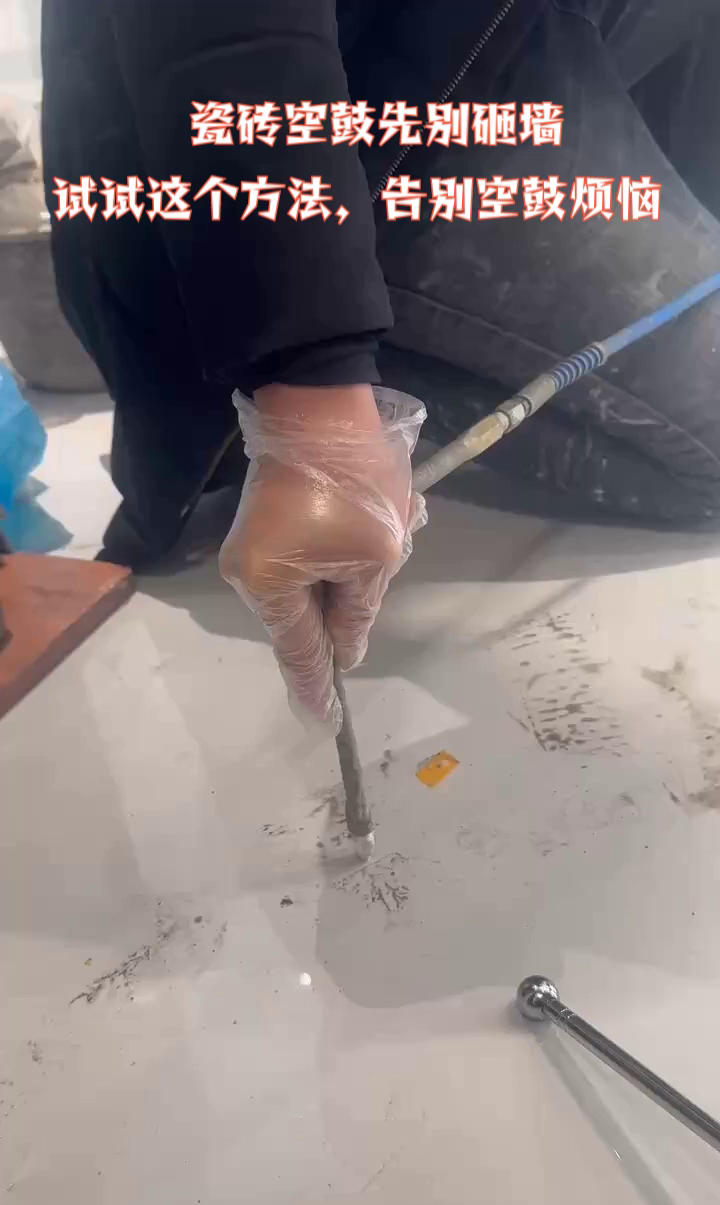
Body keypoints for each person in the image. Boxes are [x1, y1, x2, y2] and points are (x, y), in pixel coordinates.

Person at [42, 0, 720, 725]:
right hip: (322, 129)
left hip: (515, 55)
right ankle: (299, 350)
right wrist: (312, 398)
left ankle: (369, 352)